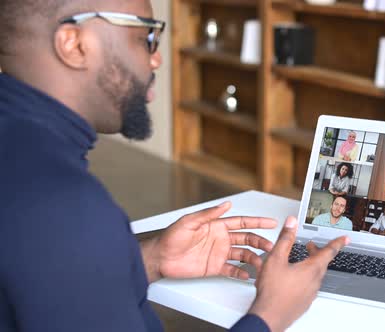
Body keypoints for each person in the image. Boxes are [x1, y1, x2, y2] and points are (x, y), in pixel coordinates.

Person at [0, 1, 350, 331]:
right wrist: (270, 314)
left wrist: (147, 261)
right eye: (146, 37)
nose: (157, 59)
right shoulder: (70, 210)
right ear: (74, 45)